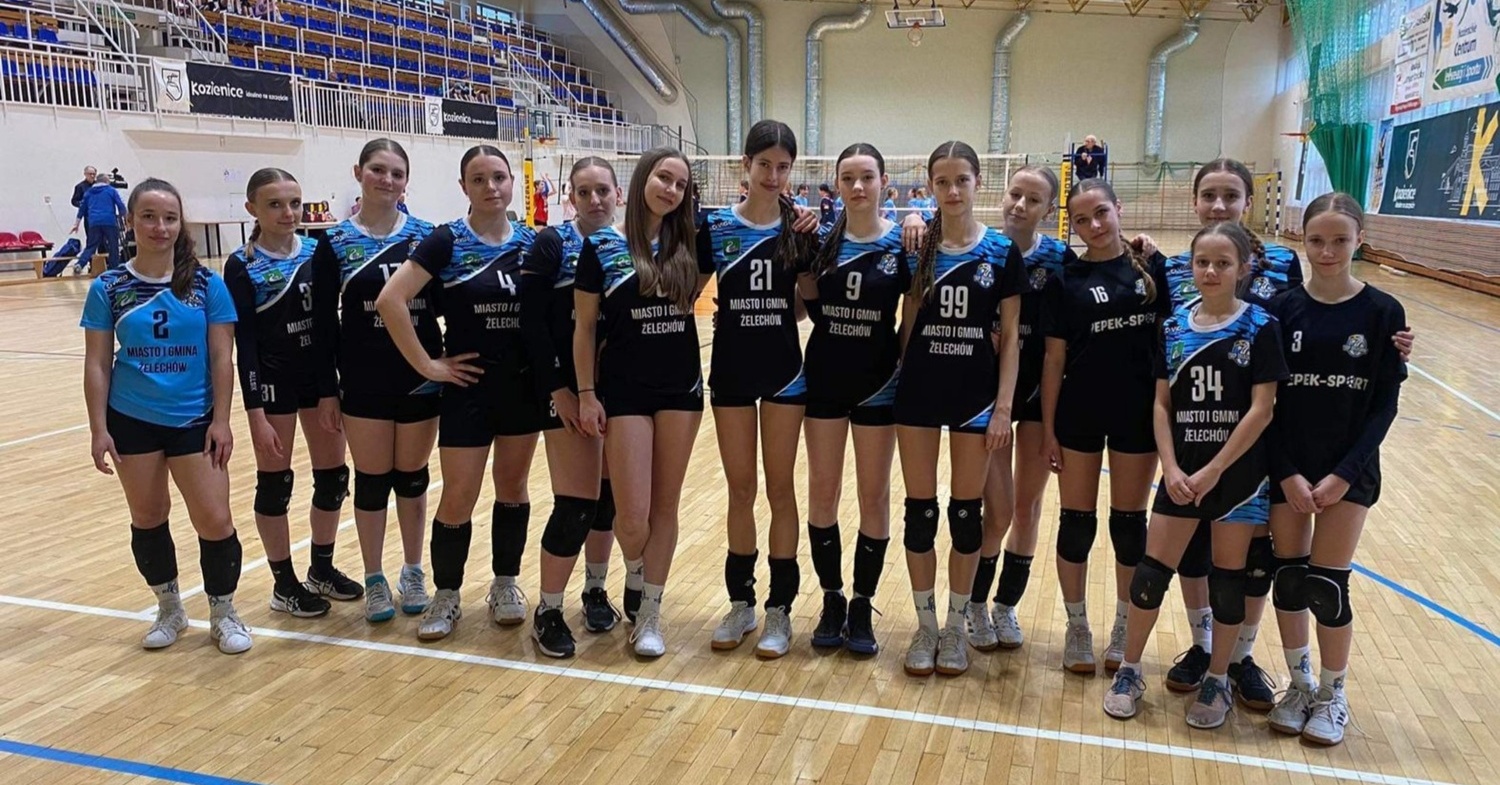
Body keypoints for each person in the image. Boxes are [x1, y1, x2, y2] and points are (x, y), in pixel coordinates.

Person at [1155, 158, 1415, 710]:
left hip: (1267, 450)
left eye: (1231, 195)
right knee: (1205, 557)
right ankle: (1210, 651)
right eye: (1209, 195)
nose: (1219, 205)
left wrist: (1394, 346)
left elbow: (1336, 359)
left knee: (1263, 566)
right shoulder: (1175, 268)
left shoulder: (1287, 281)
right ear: (1195, 202)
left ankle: (1243, 658)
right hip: (1211, 438)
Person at [1102, 220, 1285, 728]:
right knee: (1150, 575)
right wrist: (1171, 465)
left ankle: (1218, 678)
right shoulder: (1173, 327)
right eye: (1203, 262)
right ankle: (1130, 670)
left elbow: (1262, 409)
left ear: (1242, 268)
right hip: (1181, 472)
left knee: (1227, 583)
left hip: (1238, 478)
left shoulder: (1260, 326)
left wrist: (1214, 469)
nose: (1211, 271)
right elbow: (1161, 405)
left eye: (1223, 263)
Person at [376, 145, 544, 645]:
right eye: (479, 179)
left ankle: (505, 583)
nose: (491, 187)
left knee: (512, 487)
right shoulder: (446, 240)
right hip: (467, 390)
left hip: (521, 387)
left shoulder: (534, 243)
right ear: (463, 186)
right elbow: (390, 300)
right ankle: (447, 594)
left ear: (512, 182)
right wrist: (428, 365)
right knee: (459, 494)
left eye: (499, 177)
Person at [81, 177, 251, 654]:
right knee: (149, 516)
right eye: (149, 217)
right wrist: (99, 429)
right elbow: (97, 363)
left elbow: (222, 358)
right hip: (131, 419)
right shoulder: (109, 287)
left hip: (194, 419)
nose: (160, 227)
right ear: (130, 221)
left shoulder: (207, 285)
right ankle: (170, 608)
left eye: (170, 218)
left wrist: (222, 420)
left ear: (181, 224)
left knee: (214, 518)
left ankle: (224, 612)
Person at [1264, 193, 1408, 746]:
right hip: (1290, 467)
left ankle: (1332, 692)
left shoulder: (1383, 313)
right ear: (1301, 240)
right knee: (1289, 579)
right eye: (1316, 240)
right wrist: (1287, 473)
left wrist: (1345, 474)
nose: (1327, 251)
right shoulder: (1283, 309)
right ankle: (1299, 685)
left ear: (1359, 240)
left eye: (1340, 240)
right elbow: (1266, 404)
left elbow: (1384, 405)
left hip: (1349, 471)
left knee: (1327, 586)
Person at [573, 147, 712, 658]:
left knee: (665, 506)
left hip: (680, 389)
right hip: (625, 390)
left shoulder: (692, 240)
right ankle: (636, 570)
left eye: (680, 184)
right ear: (641, 179)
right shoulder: (602, 246)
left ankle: (650, 611)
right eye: (663, 178)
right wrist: (587, 394)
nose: (671, 190)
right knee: (632, 517)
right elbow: (585, 330)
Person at [895, 141, 1025, 677]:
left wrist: (1003, 408)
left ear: (978, 183)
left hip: (975, 398)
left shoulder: (1000, 251)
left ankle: (953, 627)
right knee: (920, 515)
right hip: (919, 395)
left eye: (961, 180)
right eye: (942, 182)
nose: (952, 191)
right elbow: (907, 324)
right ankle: (926, 627)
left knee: (966, 517)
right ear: (930, 186)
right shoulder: (915, 248)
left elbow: (1012, 338)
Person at [1041, 177, 1169, 675]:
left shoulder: (1153, 268)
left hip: (1137, 415)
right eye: (1081, 219)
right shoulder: (1066, 280)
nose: (1093, 225)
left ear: (1118, 209)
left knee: (1128, 527)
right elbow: (1053, 361)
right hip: (1080, 412)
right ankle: (1077, 627)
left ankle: (1123, 625)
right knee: (1076, 525)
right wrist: (1048, 429)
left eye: (1101, 213)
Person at [702, 120, 817, 658]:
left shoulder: (800, 229)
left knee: (780, 489)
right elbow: (683, 291)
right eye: (764, 164)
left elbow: (807, 305)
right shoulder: (716, 228)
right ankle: (741, 603)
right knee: (740, 489)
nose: (773, 175)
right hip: (730, 372)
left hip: (784, 373)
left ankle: (780, 610)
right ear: (744, 165)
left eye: (783, 166)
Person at [311, 138, 438, 624]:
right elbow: (324, 322)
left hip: (419, 376)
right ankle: (374, 577)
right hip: (363, 377)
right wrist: (327, 388)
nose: (387, 180)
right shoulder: (335, 242)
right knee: (371, 481)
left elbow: (449, 303)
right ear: (358, 173)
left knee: (412, 477)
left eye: (397, 173)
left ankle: (413, 570)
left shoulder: (427, 237)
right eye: (378, 170)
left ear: (407, 181)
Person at [224, 168, 360, 619]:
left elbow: (330, 326)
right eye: (275, 204)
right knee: (275, 483)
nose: (288, 212)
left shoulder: (319, 251)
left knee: (333, 477)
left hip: (318, 381)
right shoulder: (242, 264)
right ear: (252, 209)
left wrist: (333, 387)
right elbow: (244, 344)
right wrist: (255, 412)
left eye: (295, 203)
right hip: (273, 384)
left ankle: (321, 568)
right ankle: (284, 584)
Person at [798, 143, 907, 656]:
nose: (858, 186)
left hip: (878, 383)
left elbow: (914, 312)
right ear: (837, 184)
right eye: (848, 178)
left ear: (884, 181)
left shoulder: (905, 242)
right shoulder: (819, 240)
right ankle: (832, 598)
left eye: (867, 177)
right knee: (822, 491)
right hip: (824, 378)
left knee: (874, 496)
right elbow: (809, 306)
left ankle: (862, 603)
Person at [521, 156, 627, 656]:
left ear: (618, 194)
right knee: (576, 503)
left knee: (606, 499)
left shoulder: (630, 244)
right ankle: (547, 609)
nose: (594, 200)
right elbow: (531, 323)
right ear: (571, 197)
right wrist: (558, 390)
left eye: (602, 190)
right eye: (583, 192)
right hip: (567, 389)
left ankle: (595, 589)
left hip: (619, 390)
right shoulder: (553, 244)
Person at [72, 171, 127, 272]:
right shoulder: (111, 190)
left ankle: (80, 264)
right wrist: (126, 219)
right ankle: (113, 268)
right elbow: (120, 205)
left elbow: (82, 209)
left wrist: (76, 224)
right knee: (113, 246)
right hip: (109, 222)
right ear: (106, 181)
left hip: (94, 222)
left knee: (91, 246)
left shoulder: (88, 192)